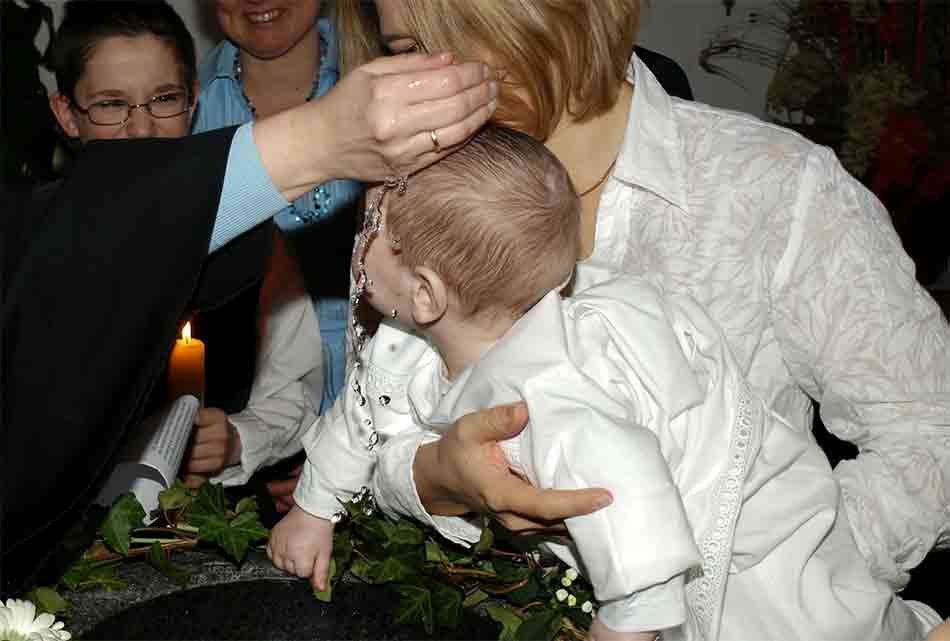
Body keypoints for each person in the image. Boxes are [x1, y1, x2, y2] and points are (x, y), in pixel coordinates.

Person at [332, 0, 950, 600]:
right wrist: (434, 480)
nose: (425, 86)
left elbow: (930, 437)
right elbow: (368, 419)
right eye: (406, 51)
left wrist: (772, 590)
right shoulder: (405, 196)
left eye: (454, 33)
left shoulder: (773, 190)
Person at [266, 125, 941, 640]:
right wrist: (314, 507)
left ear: (426, 292)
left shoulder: (550, 397)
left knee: (806, 623)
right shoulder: (408, 338)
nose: (360, 236)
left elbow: (634, 511)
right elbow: (363, 412)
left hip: (743, 530)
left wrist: (621, 627)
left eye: (377, 227)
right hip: (666, 515)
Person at [1, 0, 502, 595]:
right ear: (67, 112)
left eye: (163, 102)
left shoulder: (252, 241)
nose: (140, 128)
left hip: (213, 536)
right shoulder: (35, 251)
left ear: (190, 101)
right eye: (111, 106)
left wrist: (242, 438)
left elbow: (295, 383)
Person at [182, 0, 363, 513]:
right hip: (257, 414)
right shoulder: (184, 106)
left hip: (390, 391)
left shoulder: (378, 78)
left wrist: (345, 462)